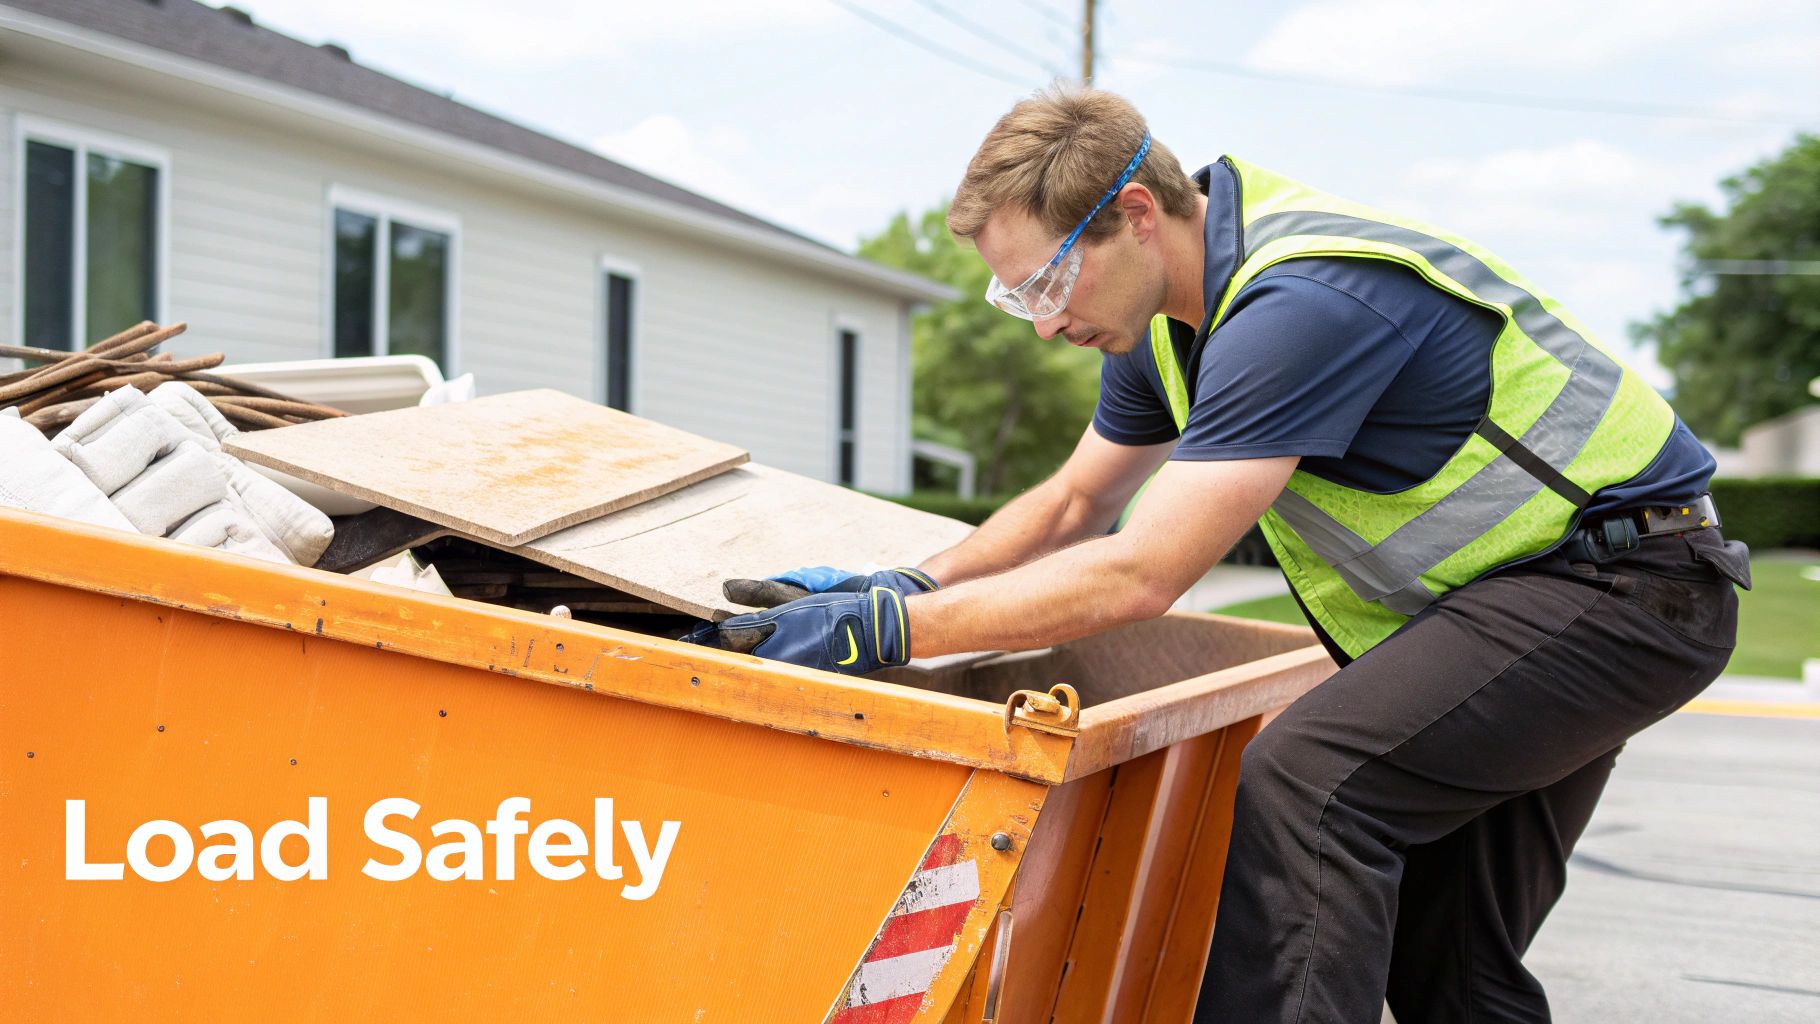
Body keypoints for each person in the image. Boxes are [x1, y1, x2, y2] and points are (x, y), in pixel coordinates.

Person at [688, 85, 1751, 1023]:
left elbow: (1140, 570)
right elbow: (1072, 501)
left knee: (1310, 781)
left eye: (1045, 286)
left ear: (1135, 218)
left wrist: (889, 635)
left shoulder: (1301, 303)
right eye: (1015, 299)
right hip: (1541, 605)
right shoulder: (1169, 330)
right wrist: (912, 581)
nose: (1039, 325)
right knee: (1455, 971)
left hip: (1627, 588)